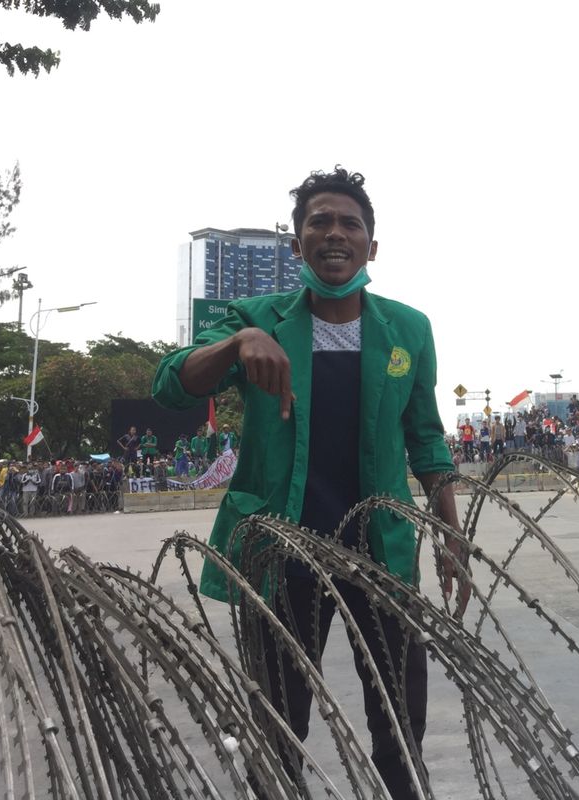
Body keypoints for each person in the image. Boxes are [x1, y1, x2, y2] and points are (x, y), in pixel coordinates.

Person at [153, 167, 467, 800]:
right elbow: (170, 384)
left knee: (400, 735)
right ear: (296, 242)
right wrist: (241, 341)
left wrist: (450, 533)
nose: (334, 233)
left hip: (381, 560)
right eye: (318, 221)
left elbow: (427, 439)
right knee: (277, 735)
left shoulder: (408, 329)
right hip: (280, 561)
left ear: (371, 247)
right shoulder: (256, 317)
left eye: (350, 223)